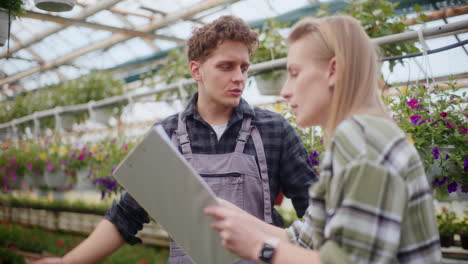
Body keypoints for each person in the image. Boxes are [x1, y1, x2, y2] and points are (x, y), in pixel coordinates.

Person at [31, 15, 317, 264]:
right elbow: (127, 214)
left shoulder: (273, 130)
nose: (239, 77)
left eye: (244, 67)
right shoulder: (167, 135)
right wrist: (68, 261)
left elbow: (317, 216)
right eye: (226, 66)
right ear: (196, 70)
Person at [204, 15, 441, 264]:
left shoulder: (361, 141)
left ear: (333, 70)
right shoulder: (360, 135)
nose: (285, 90)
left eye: (295, 73)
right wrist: (232, 216)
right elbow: (304, 239)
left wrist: (260, 248)